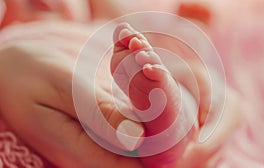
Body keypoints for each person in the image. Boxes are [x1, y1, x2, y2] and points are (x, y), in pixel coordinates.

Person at [0, 0, 240, 167]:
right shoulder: (10, 40)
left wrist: (191, 24)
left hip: (119, 94)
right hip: (64, 108)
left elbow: (177, 50)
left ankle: (168, 123)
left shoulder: (106, 27)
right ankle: (163, 123)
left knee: (174, 79)